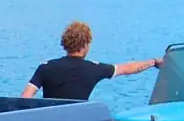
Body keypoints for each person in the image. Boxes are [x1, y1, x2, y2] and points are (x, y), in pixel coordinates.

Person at [21, 21, 162, 100]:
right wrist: (154, 62)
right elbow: (127, 68)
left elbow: (25, 97)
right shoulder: (93, 69)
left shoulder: (46, 68)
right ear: (86, 45)